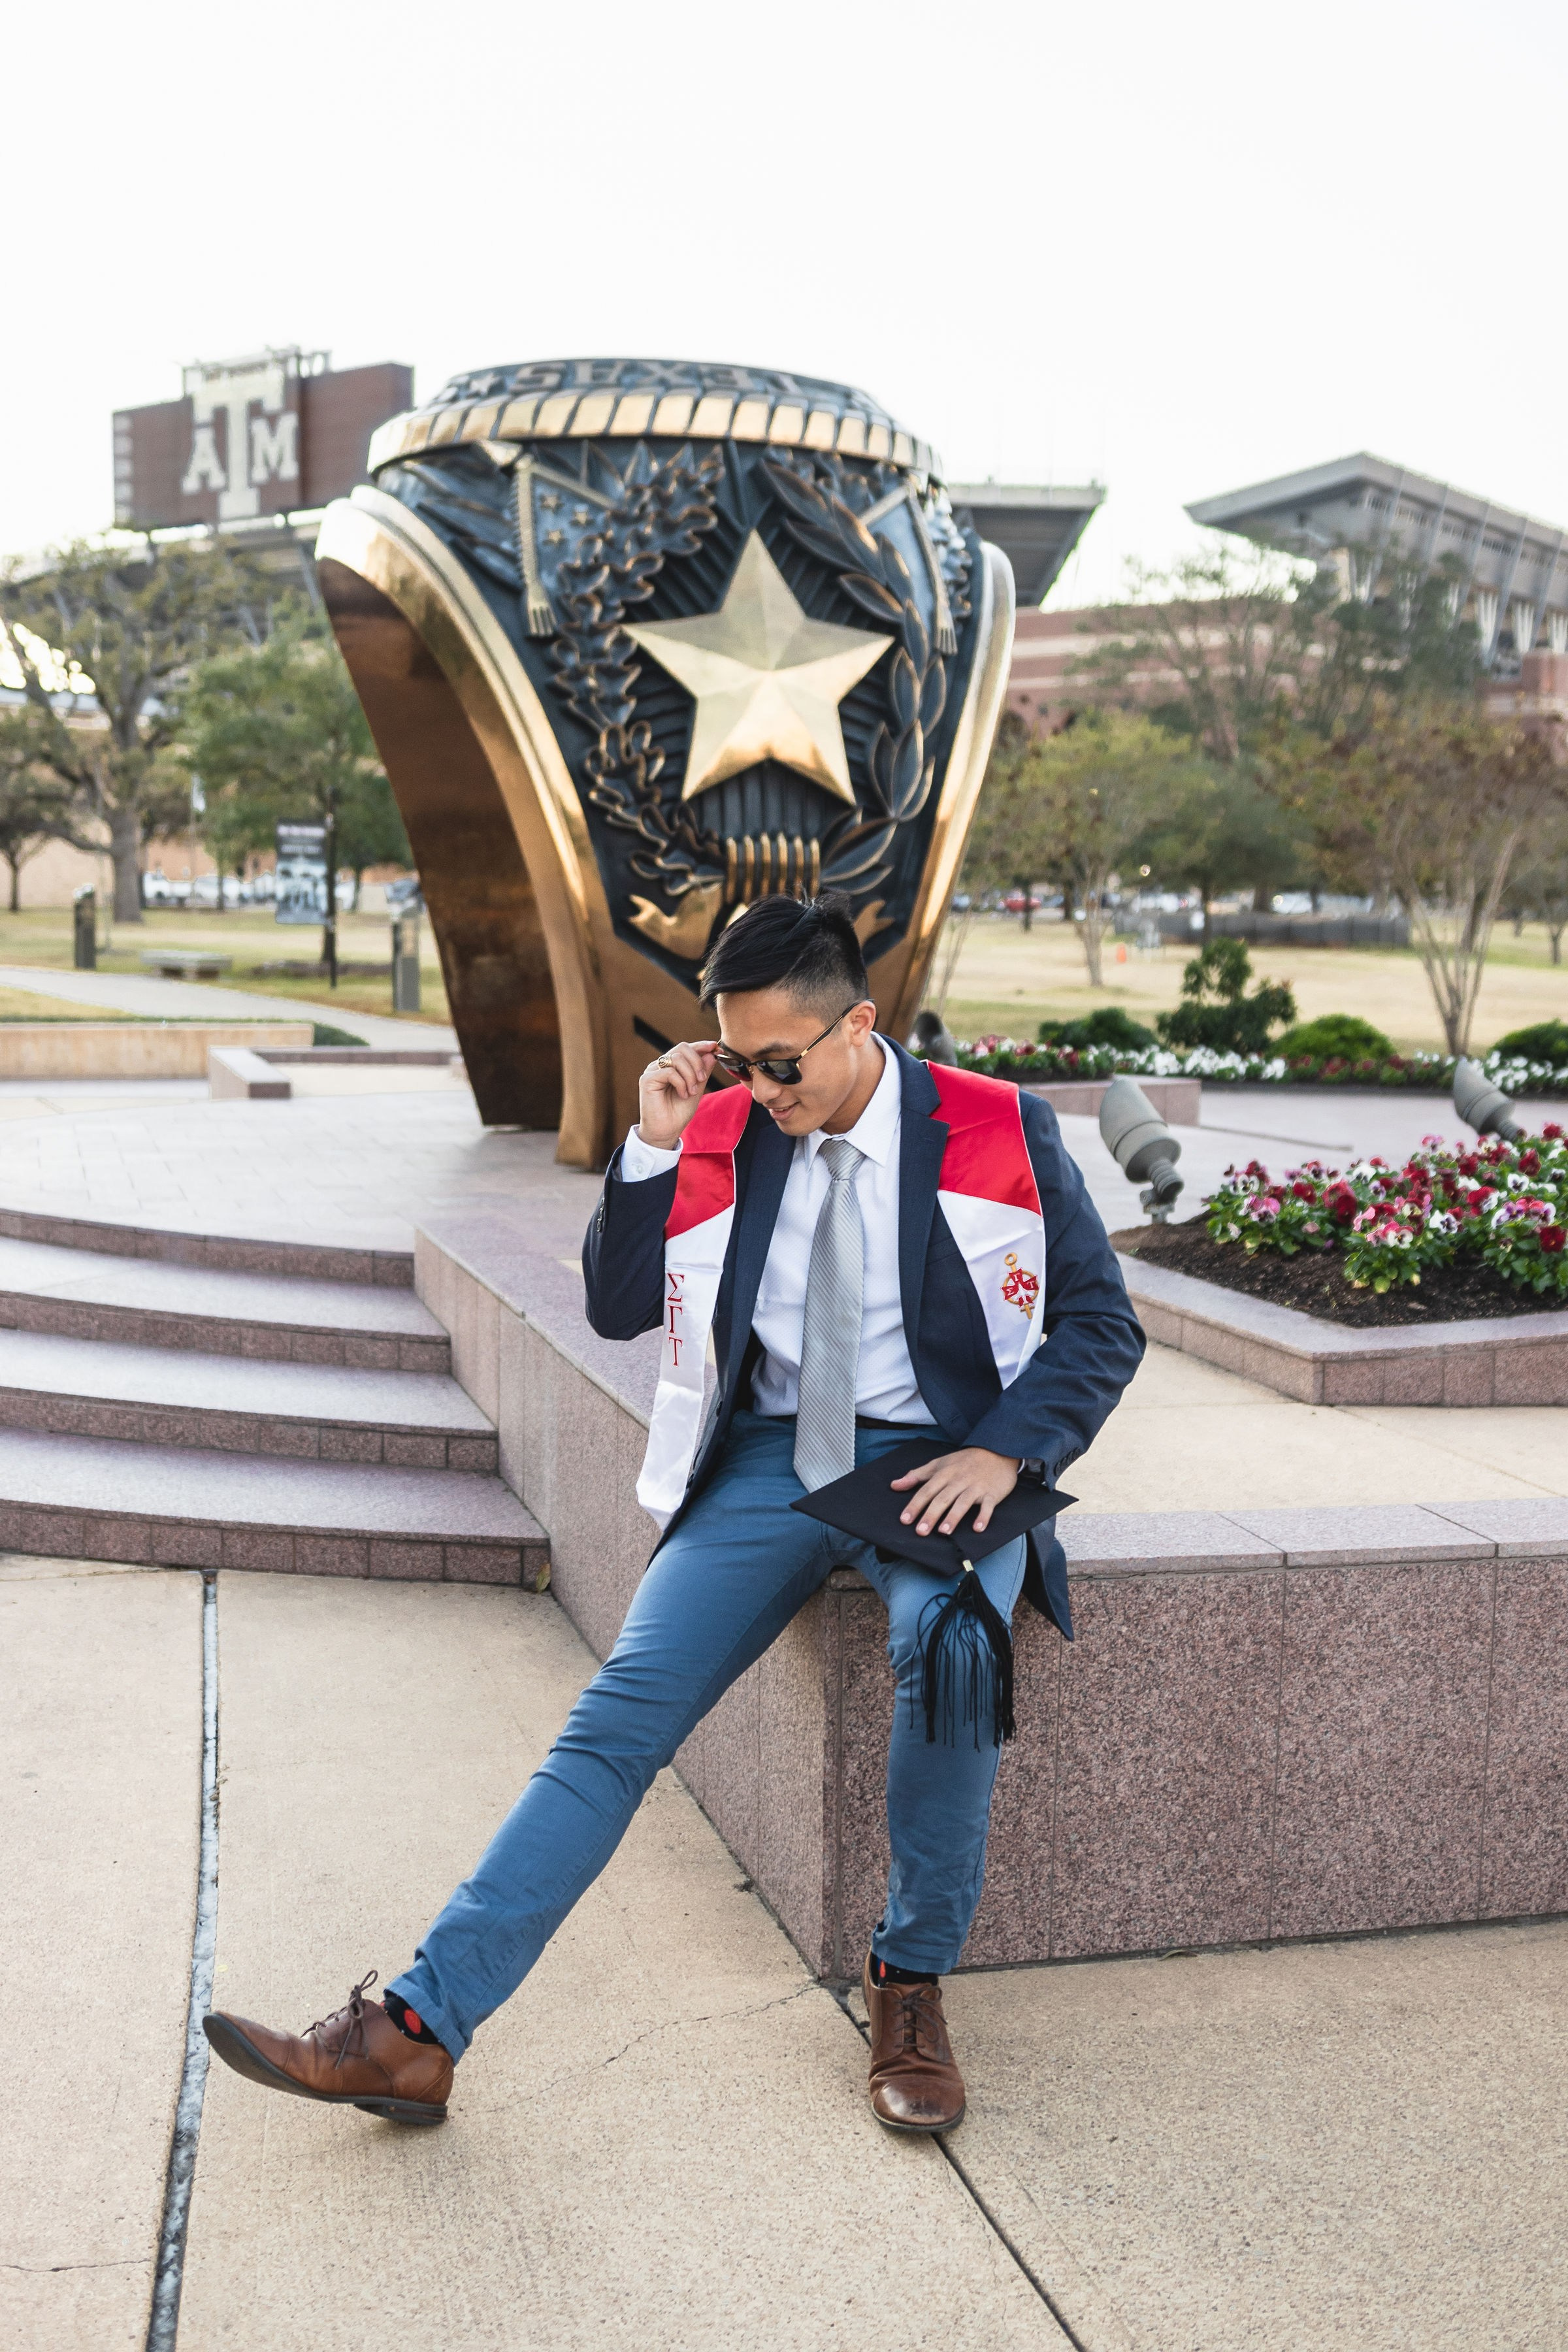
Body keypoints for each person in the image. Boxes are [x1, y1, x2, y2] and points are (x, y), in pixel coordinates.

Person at [203, 892, 1145, 2134]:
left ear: (859, 1023)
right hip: (772, 1458)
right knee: (617, 1720)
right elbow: (614, 1304)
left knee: (956, 1650)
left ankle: (908, 1982)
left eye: (781, 1062)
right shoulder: (718, 1131)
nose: (758, 1088)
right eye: (738, 1061)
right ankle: (418, 2030)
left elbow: (1100, 1326)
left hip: (939, 1457)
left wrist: (1003, 1454)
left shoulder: (998, 1127)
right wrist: (647, 1147)